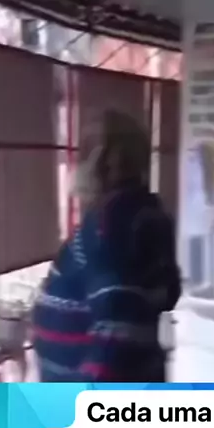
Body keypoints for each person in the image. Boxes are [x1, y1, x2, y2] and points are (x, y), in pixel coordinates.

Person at [32, 110, 181, 382]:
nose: (77, 165)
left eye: (85, 152)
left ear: (105, 162)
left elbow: (118, 330)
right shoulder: (147, 213)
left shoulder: (110, 223)